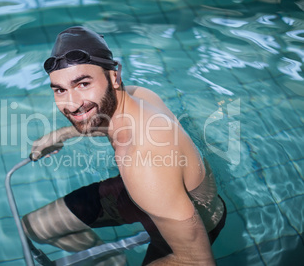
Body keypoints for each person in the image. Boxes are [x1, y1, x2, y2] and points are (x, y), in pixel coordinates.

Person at [22, 26, 226, 265]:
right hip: (150, 194)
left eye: (83, 84)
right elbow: (105, 119)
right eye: (60, 90)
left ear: (114, 76)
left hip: (184, 233)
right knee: (35, 226)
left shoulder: (144, 161)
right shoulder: (139, 95)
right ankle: (113, 261)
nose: (72, 104)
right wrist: (63, 134)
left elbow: (199, 262)